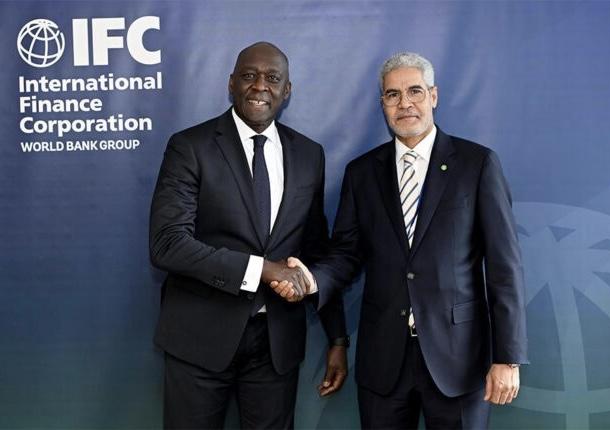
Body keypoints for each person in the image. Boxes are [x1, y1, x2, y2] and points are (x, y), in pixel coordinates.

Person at [275, 52, 528, 429]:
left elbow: (504, 266)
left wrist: (507, 357)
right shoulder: (362, 173)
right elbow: (346, 254)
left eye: (415, 91)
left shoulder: (477, 164)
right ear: (382, 104)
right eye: (392, 95)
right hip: (383, 361)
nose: (404, 103)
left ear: (434, 96)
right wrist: (312, 280)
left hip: (458, 360)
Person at [149, 41, 348, 430]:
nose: (260, 86)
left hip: (276, 345)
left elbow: (315, 250)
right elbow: (168, 243)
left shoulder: (309, 155)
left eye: (272, 78)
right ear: (231, 84)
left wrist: (338, 339)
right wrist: (264, 270)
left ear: (287, 90)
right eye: (249, 76)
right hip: (199, 340)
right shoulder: (190, 147)